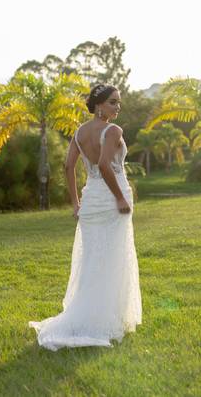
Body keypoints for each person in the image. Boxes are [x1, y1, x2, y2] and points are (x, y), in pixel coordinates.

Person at [28, 84, 142, 351]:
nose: (117, 107)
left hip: (90, 203)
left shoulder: (79, 132)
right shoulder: (113, 131)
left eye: (118, 103)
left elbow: (68, 166)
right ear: (99, 105)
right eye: (113, 102)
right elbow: (104, 165)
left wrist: (76, 203)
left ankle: (88, 315)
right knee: (113, 258)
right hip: (112, 201)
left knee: (93, 260)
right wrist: (120, 198)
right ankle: (106, 320)